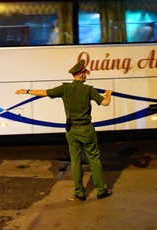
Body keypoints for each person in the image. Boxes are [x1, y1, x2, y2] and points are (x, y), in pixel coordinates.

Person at [15, 59, 113, 201]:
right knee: (94, 160)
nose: (86, 75)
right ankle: (101, 191)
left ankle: (79, 192)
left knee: (75, 160)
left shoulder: (64, 89)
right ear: (81, 75)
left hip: (71, 130)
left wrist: (27, 91)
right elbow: (105, 102)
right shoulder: (88, 90)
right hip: (87, 130)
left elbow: (44, 92)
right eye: (85, 72)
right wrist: (108, 93)